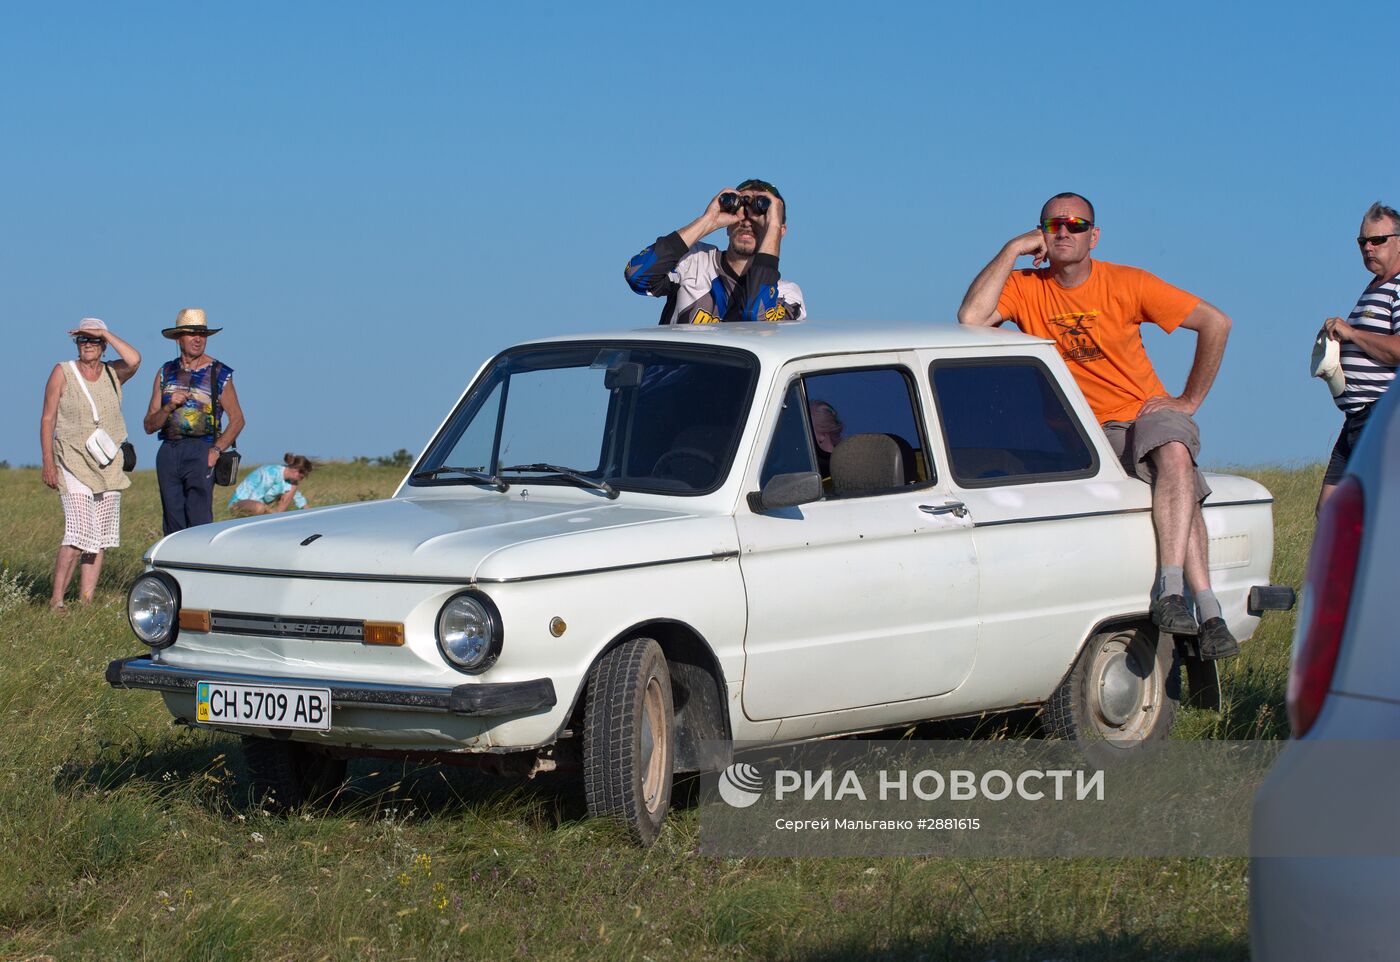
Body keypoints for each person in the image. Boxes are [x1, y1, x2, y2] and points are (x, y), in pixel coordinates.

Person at [958, 192, 1239, 660]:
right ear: (1041, 234)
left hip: (1143, 410)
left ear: (1095, 235)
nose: (1064, 232)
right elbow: (970, 318)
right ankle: (1211, 617)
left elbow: (1217, 323)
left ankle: (1173, 591)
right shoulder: (1026, 286)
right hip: (1081, 432)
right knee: (1179, 483)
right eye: (1052, 225)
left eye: (1075, 224)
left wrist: (1188, 400)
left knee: (1174, 454)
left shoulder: (1127, 282)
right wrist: (1011, 249)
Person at [38, 317, 142, 609]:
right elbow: (48, 418)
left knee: (101, 535)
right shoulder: (63, 372)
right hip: (71, 460)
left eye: (93, 340)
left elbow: (135, 360)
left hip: (107, 464)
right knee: (79, 531)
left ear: (103, 345)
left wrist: (105, 332)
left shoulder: (113, 373)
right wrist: (48, 461)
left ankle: (86, 601)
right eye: (83, 339)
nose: (88, 345)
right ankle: (57, 600)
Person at [624, 179, 806, 325]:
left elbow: (757, 318)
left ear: (779, 231)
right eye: (741, 212)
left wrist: (773, 224)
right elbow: (637, 275)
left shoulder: (787, 295)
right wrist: (708, 221)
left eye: (760, 216)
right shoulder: (694, 261)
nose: (747, 222)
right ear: (727, 226)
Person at [1316, 201, 1400, 514]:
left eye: (1377, 240)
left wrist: (1351, 334)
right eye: (1362, 241)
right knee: (1329, 512)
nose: (1368, 247)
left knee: (1373, 513)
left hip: (1381, 418)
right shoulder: (1375, 287)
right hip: (1356, 418)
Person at [143, 308, 245, 534]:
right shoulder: (165, 372)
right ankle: (174, 567)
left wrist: (216, 450)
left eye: (203, 334)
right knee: (172, 520)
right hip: (169, 450)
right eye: (192, 333)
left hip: (202, 449)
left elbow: (237, 419)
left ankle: (200, 565)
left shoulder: (218, 372)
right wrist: (169, 406)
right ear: (179, 338)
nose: (198, 339)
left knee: (199, 520)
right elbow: (149, 425)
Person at [230, 453, 313, 515]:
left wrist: (310, 513)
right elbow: (255, 496)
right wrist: (269, 511)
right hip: (239, 503)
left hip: (262, 506)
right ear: (295, 470)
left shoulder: (290, 483)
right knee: (260, 508)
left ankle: (277, 517)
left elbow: (299, 499)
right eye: (302, 476)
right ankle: (273, 516)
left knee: (293, 488)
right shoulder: (271, 473)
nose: (302, 478)